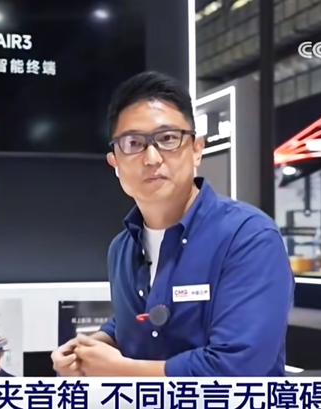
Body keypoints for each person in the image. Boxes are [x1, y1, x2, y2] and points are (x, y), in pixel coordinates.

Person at [51, 71, 294, 377]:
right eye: (133, 143)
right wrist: (94, 345)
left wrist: (119, 369)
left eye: (167, 139)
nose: (152, 158)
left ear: (197, 149)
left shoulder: (247, 237)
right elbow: (142, 318)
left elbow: (237, 367)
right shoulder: (122, 249)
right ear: (115, 162)